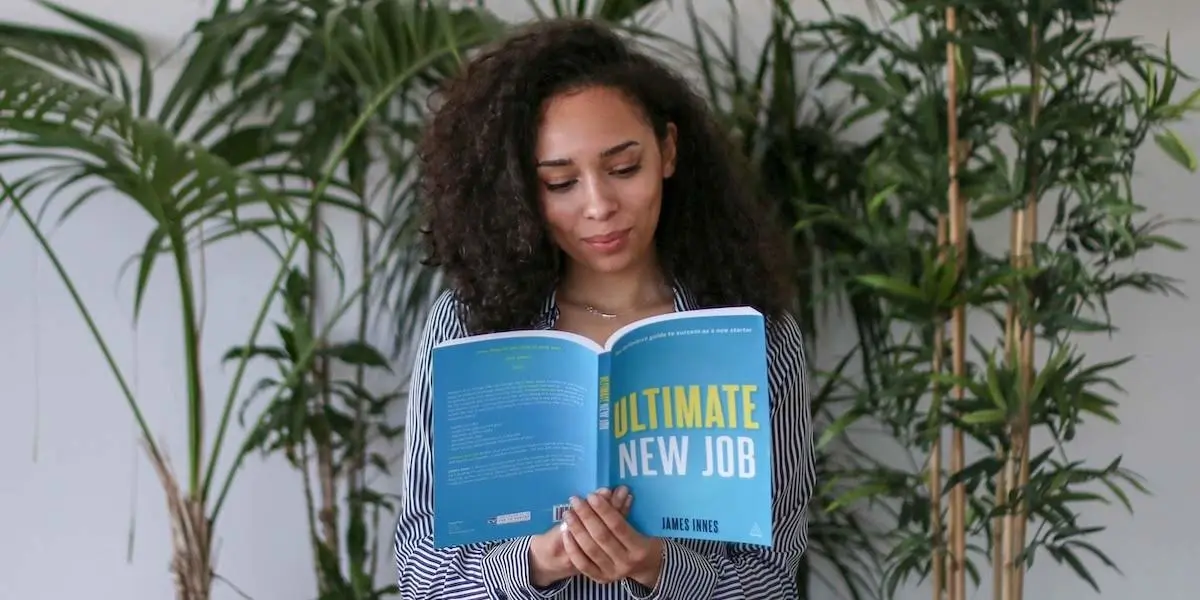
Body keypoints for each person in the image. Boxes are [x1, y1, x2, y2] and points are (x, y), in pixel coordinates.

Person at [393, 17, 815, 600]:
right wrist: (532, 563)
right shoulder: (469, 328)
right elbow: (421, 576)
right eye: (561, 183)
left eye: (623, 169)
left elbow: (772, 583)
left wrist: (661, 568)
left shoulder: (756, 337)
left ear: (667, 151)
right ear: (522, 192)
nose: (599, 206)